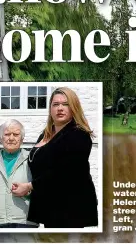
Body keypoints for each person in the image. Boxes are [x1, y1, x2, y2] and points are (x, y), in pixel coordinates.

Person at [12, 87, 98, 228]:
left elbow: (65, 171)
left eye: (65, 104)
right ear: (50, 108)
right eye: (55, 104)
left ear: (74, 107)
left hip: (70, 208)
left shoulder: (79, 135)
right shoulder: (46, 134)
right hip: (50, 207)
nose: (60, 108)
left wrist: (30, 186)